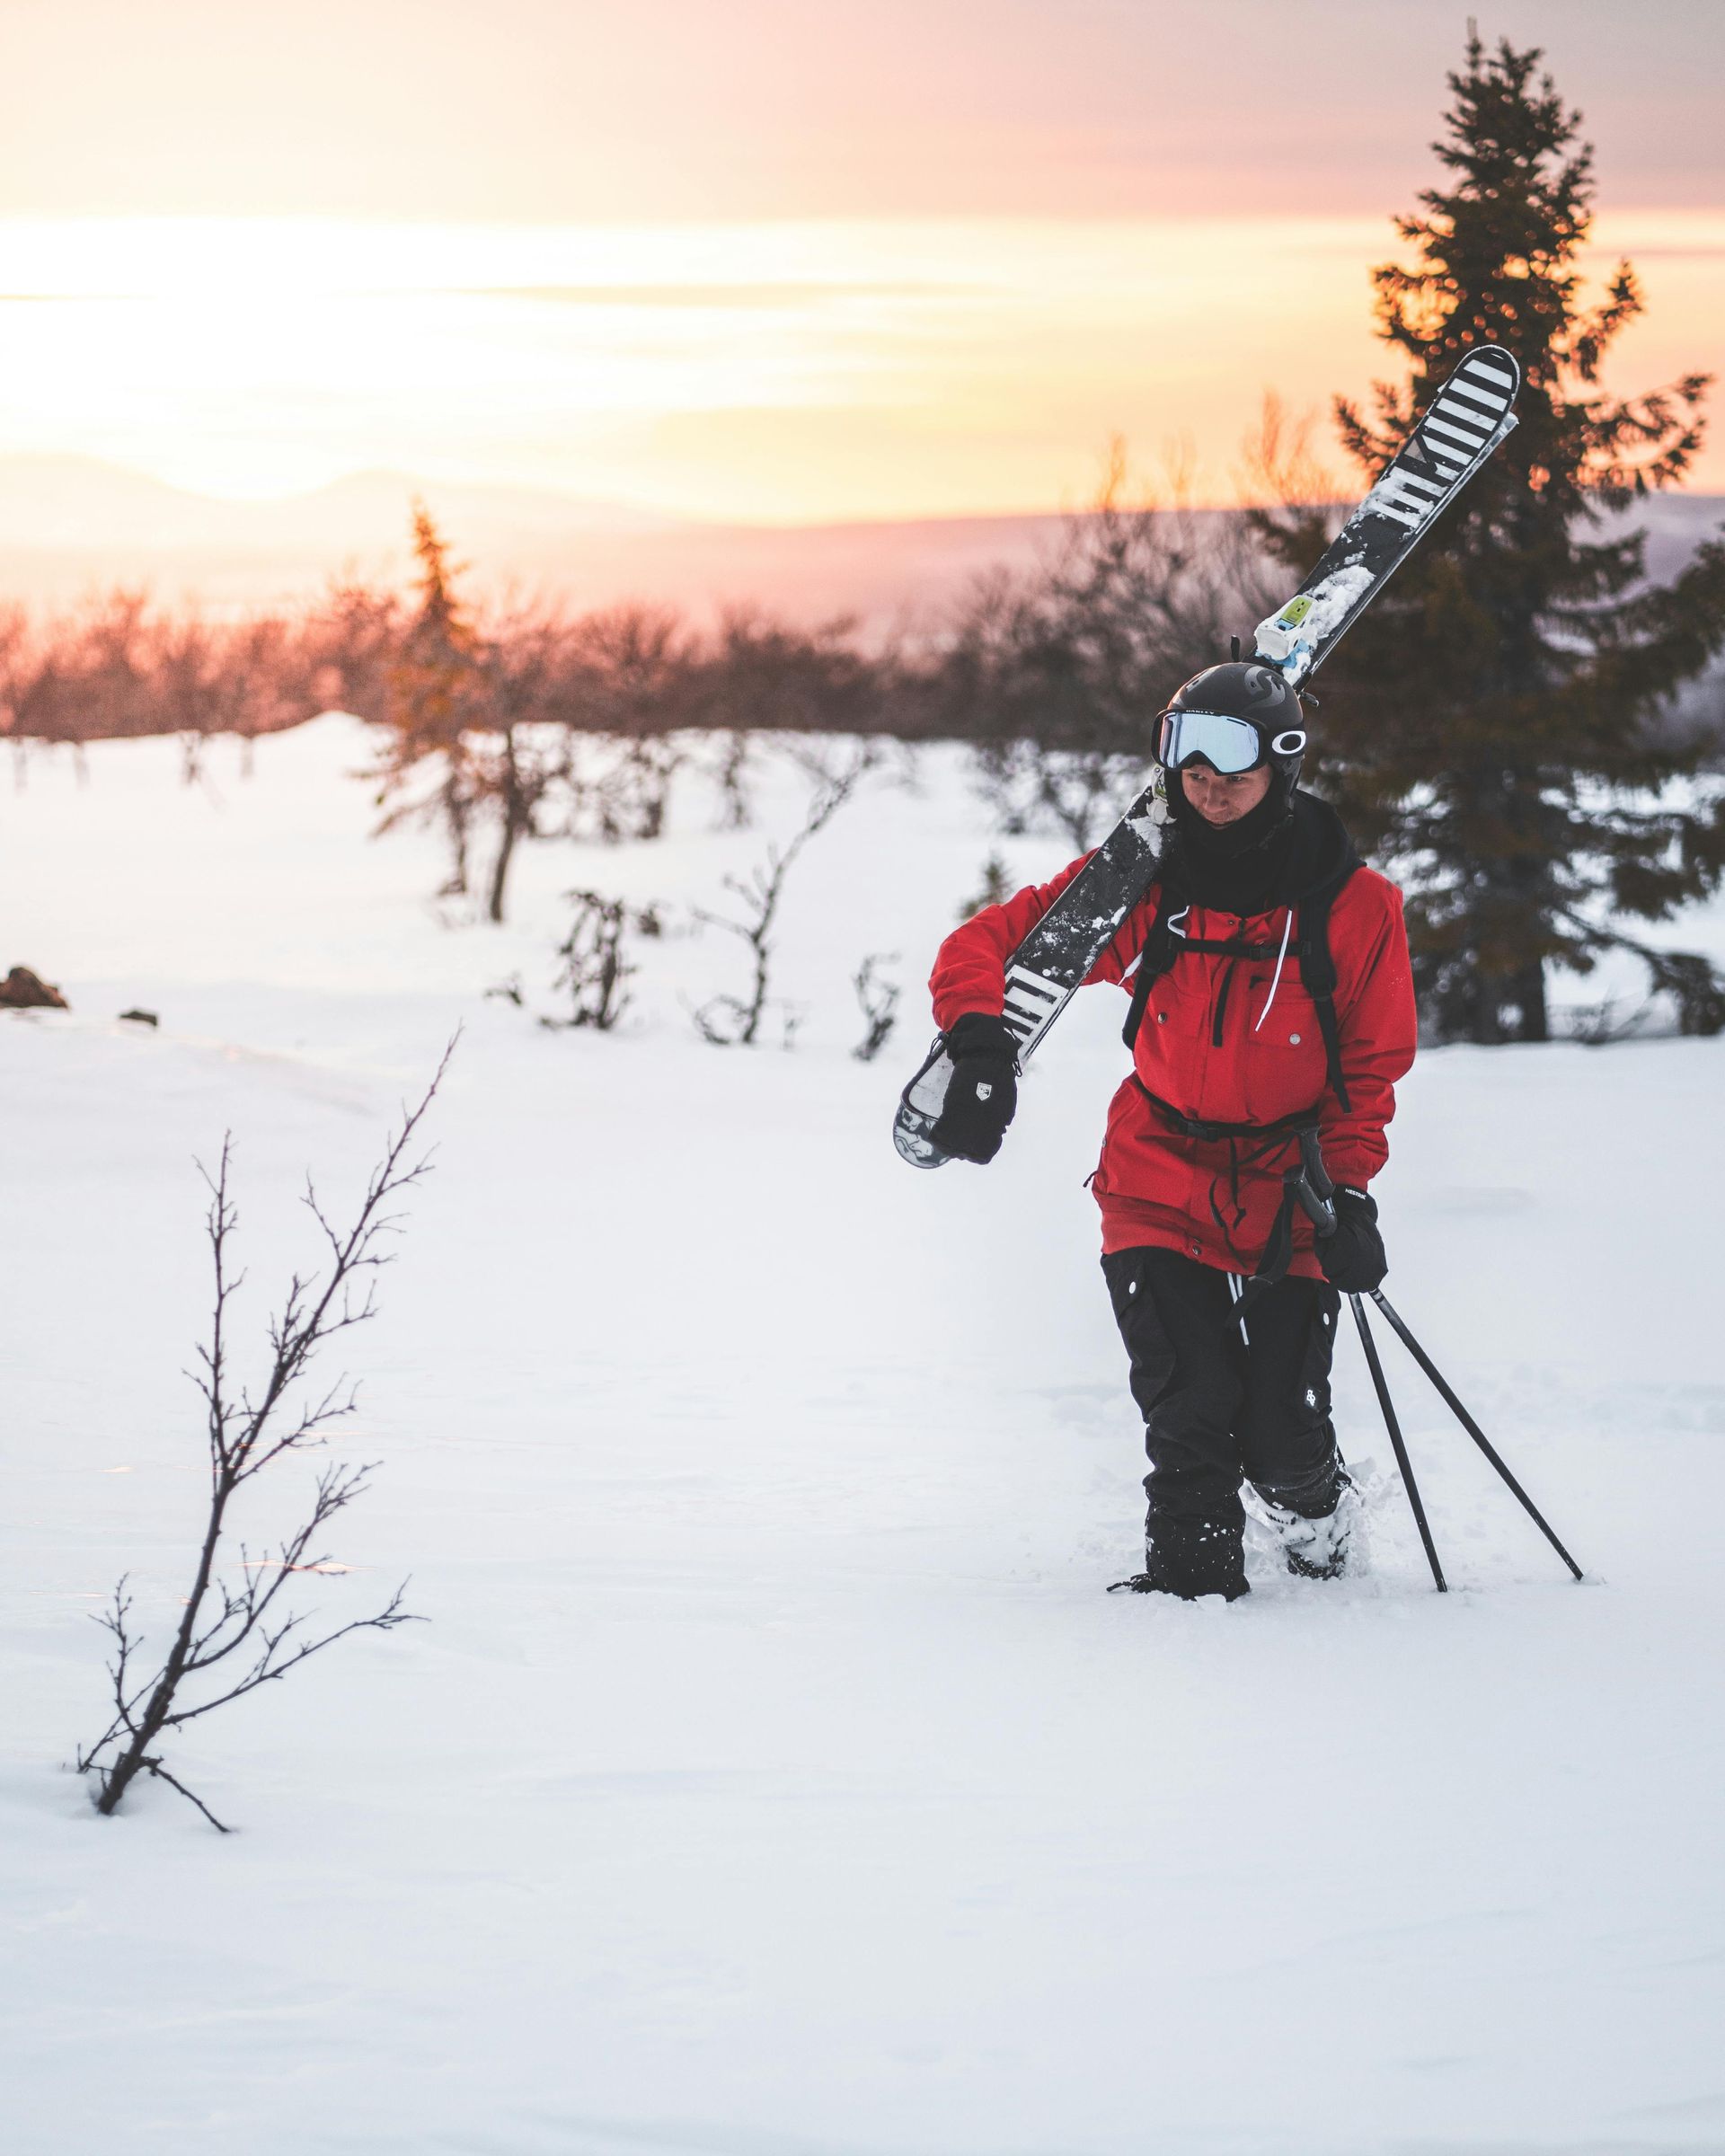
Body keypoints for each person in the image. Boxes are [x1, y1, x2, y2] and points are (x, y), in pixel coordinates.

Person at [924, 660, 1417, 1601]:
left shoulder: (1355, 908)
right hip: (1158, 1172)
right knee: (1190, 1405)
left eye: (1233, 756)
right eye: (1184, 751)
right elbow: (984, 944)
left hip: (1291, 1182)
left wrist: (1350, 1192)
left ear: (1283, 762)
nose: (1207, 777)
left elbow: (1369, 1072)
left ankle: (1318, 1517)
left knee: (1278, 1425)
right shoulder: (1142, 885)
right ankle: (1190, 1596)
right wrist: (980, 1039)